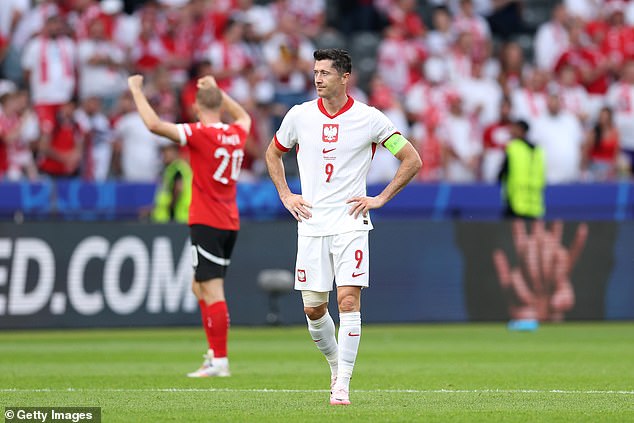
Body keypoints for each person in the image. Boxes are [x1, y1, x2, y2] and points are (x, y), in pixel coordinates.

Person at [265, 48, 422, 406]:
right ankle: (337, 366)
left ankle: (343, 384)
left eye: (325, 72)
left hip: (351, 223)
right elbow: (273, 153)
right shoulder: (299, 115)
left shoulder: (370, 119)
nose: (318, 78)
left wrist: (380, 198)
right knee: (313, 308)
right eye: (315, 72)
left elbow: (411, 159)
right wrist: (287, 195)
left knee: (348, 300)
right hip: (311, 223)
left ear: (344, 77)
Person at [127, 73, 251, 378]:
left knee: (211, 289)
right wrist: (217, 90)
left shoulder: (199, 133)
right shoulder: (236, 133)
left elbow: (154, 125)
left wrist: (136, 90)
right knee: (200, 285)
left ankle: (220, 360)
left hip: (207, 221)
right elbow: (244, 115)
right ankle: (214, 354)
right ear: (220, 105)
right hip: (229, 220)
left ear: (196, 107)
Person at [498, 119, 546, 220]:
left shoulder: (513, 147)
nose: (511, 132)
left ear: (521, 130)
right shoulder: (538, 150)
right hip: (535, 204)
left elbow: (503, 173)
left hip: (516, 202)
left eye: (514, 129)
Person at [151, 142, 192, 223]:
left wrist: (170, 205)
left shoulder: (177, 168)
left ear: (175, 152)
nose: (164, 155)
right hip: (179, 215)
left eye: (167, 151)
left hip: (178, 215)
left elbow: (179, 188)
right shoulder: (173, 168)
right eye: (163, 152)